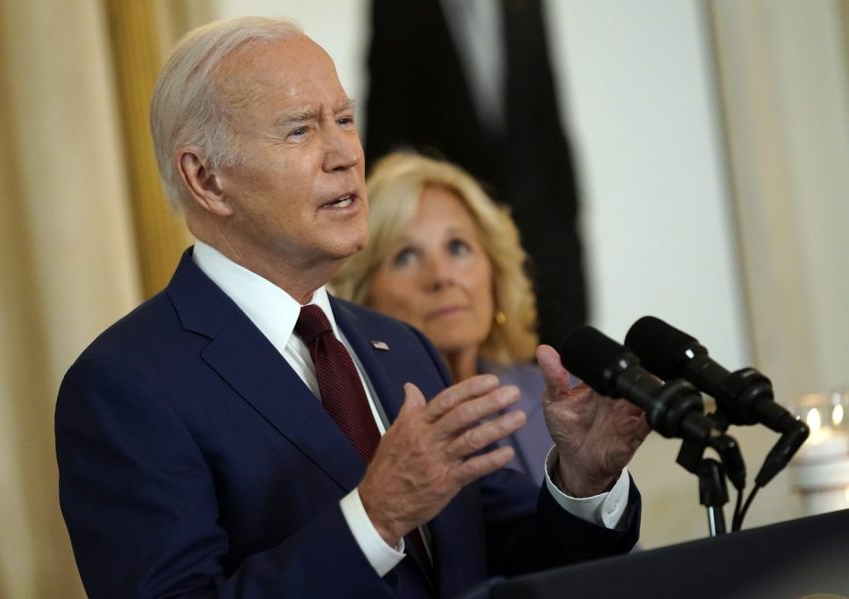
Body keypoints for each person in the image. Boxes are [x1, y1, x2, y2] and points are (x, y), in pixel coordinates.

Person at [55, 16, 649, 598]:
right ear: (207, 179)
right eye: (299, 130)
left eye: (344, 119)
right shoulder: (124, 386)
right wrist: (374, 519)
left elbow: (512, 562)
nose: (345, 154)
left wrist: (583, 480)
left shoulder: (403, 347)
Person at [365, 0, 587, 349]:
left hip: (546, 258)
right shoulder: (398, 9)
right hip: (450, 234)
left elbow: (550, 136)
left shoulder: (526, 8)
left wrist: (570, 263)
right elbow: (388, 128)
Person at [330, 152, 552, 485]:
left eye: (458, 247)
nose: (440, 277)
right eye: (405, 256)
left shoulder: (560, 402)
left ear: (495, 271)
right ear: (362, 296)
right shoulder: (355, 433)